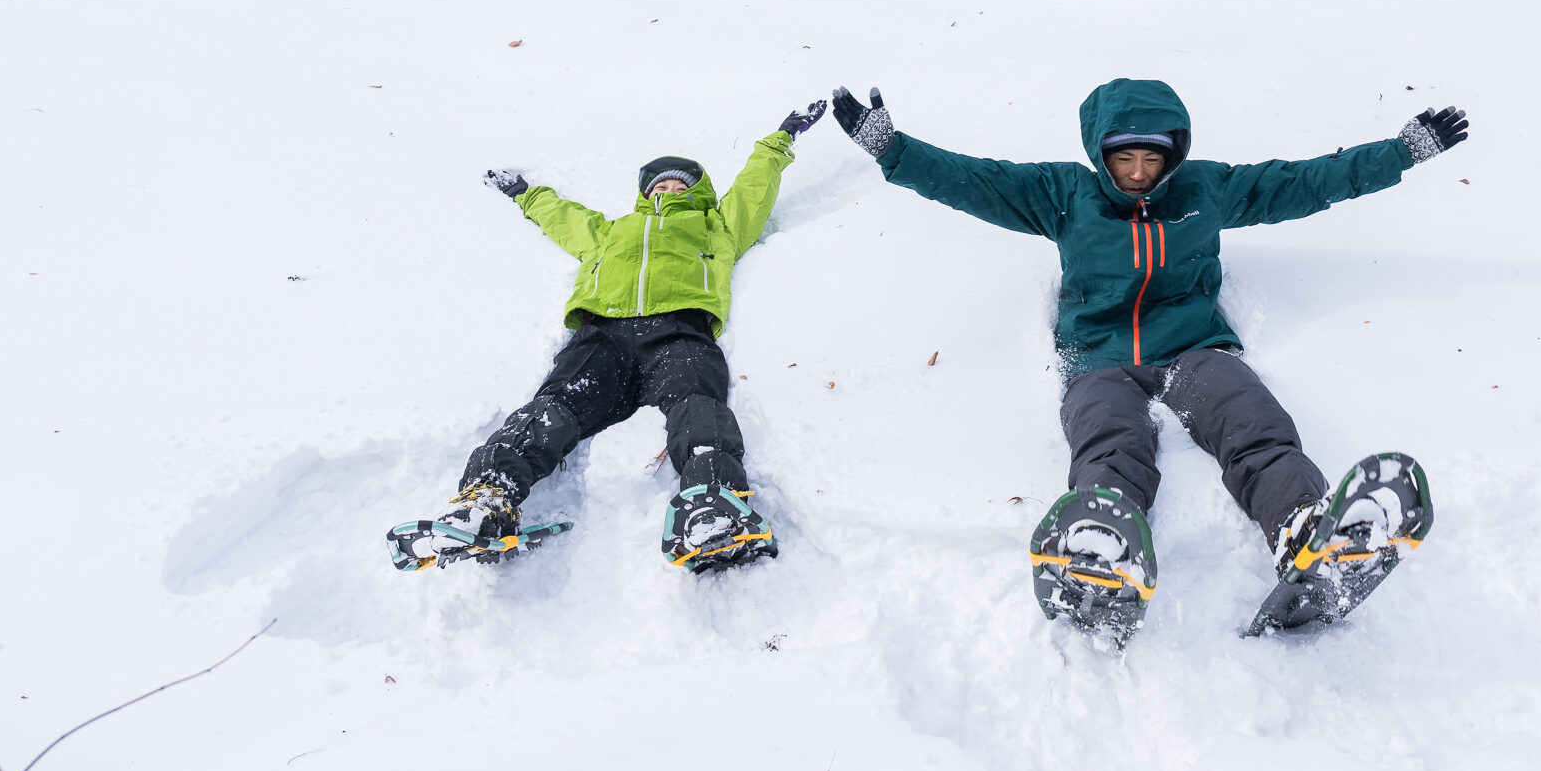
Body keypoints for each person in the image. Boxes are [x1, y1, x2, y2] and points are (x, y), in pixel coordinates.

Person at [830, 79, 1466, 637]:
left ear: (1175, 153)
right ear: (1101, 154)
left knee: (1255, 428)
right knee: (1110, 444)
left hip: (1192, 348)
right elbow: (975, 180)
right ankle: (1102, 545)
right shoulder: (1063, 194)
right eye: (1125, 157)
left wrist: (1400, 152)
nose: (1139, 172)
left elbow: (1301, 182)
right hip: (1098, 357)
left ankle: (1305, 529)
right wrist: (894, 150)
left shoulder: (1205, 190)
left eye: (1152, 158)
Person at [396, 97, 828, 572]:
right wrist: (526, 194)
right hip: (603, 333)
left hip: (679, 329)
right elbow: (566, 219)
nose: (667, 187)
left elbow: (753, 188)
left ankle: (713, 501)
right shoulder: (615, 231)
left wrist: (781, 137)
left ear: (698, 191)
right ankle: (486, 500)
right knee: (553, 407)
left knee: (697, 402)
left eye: (679, 183)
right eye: (659, 183)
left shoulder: (716, 225)